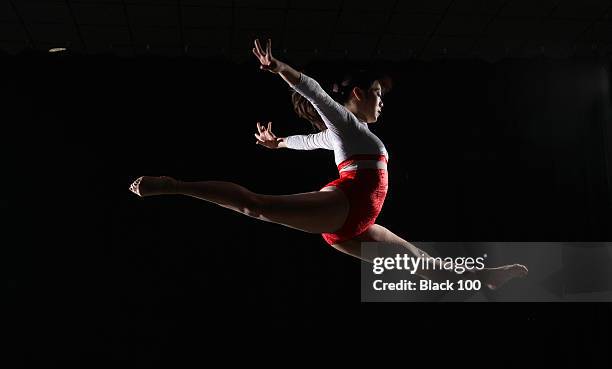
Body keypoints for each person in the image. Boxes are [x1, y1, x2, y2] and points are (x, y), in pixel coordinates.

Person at [128, 38, 527, 290]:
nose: (381, 102)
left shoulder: (343, 135)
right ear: (356, 93)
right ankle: (174, 184)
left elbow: (311, 140)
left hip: (355, 222)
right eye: (375, 93)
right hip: (343, 206)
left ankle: (483, 278)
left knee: (420, 264)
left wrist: (279, 142)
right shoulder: (346, 122)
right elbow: (316, 93)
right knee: (257, 206)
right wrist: (280, 69)